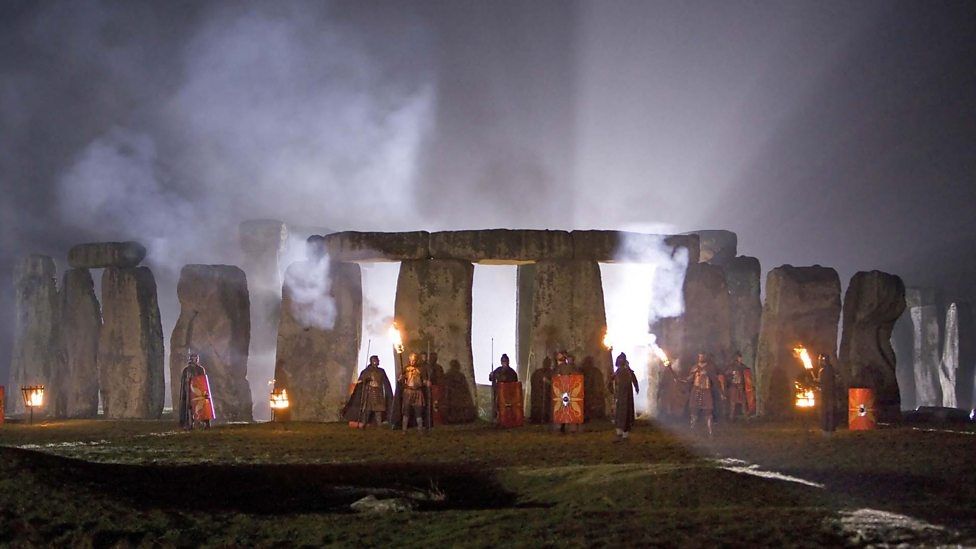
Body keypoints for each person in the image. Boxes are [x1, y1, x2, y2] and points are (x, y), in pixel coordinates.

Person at [342, 355, 393, 428]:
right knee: (367, 410)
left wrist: (388, 394)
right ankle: (363, 424)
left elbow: (386, 382)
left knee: (378, 410)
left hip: (379, 393)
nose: (377, 362)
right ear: (372, 361)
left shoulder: (381, 371)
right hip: (369, 393)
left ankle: (379, 425)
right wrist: (365, 380)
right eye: (376, 360)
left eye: (377, 360)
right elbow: (360, 382)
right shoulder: (366, 371)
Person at [687, 353, 722, 437]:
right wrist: (680, 380)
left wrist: (721, 392)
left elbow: (715, 381)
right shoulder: (694, 367)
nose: (701, 358)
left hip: (706, 391)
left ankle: (710, 432)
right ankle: (692, 430)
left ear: (705, 357)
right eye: (699, 356)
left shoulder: (710, 368)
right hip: (696, 390)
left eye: (702, 356)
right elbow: (689, 379)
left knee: (708, 412)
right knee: (694, 411)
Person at [608, 352, 639, 442]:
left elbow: (634, 380)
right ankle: (620, 432)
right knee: (620, 413)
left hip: (627, 396)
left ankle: (624, 433)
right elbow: (610, 381)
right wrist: (611, 390)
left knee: (626, 413)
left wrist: (636, 387)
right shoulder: (617, 372)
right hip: (620, 396)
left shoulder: (628, 371)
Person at [178, 352, 212, 431]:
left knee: (203, 405)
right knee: (189, 407)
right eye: (193, 358)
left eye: (196, 358)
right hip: (189, 391)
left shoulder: (200, 369)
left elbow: (203, 381)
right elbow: (184, 382)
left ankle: (206, 423)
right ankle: (189, 424)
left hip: (199, 391)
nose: (195, 360)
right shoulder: (186, 370)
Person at [397, 352, 428, 432]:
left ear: (416, 360)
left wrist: (427, 382)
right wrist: (401, 378)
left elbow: (424, 380)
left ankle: (420, 429)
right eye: (411, 360)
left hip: (418, 392)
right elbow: (401, 379)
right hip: (408, 392)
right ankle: (404, 429)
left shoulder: (421, 369)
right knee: (406, 411)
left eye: (413, 360)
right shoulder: (406, 369)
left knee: (418, 411)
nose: (412, 362)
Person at [553, 351, 582, 433]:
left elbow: (576, 378)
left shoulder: (569, 368)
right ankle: (563, 425)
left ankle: (567, 425)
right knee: (564, 407)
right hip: (562, 390)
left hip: (568, 390)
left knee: (567, 407)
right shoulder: (561, 367)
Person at [489, 353, 519, 423]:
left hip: (508, 394)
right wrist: (491, 375)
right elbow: (491, 378)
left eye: (505, 361)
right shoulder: (498, 370)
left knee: (508, 408)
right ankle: (498, 419)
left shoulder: (512, 372)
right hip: (499, 393)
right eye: (503, 361)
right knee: (498, 406)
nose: (504, 363)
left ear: (508, 362)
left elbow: (514, 383)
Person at [724, 352, 751, 422]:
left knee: (743, 402)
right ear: (736, 358)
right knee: (732, 403)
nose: (740, 359)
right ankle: (731, 417)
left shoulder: (742, 367)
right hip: (733, 386)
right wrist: (731, 375)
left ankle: (746, 417)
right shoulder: (731, 367)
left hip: (740, 386)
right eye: (739, 357)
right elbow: (726, 374)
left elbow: (747, 372)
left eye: (741, 357)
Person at [530, 356, 555, 424]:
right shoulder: (537, 373)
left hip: (547, 395)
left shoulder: (552, 372)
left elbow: (555, 384)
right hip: (538, 395)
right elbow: (533, 382)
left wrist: (548, 382)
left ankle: (545, 419)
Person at [818, 354, 837, 435]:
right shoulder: (830, 369)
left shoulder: (825, 370)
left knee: (826, 411)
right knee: (829, 411)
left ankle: (827, 429)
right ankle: (829, 429)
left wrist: (819, 385)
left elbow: (824, 383)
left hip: (827, 394)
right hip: (830, 394)